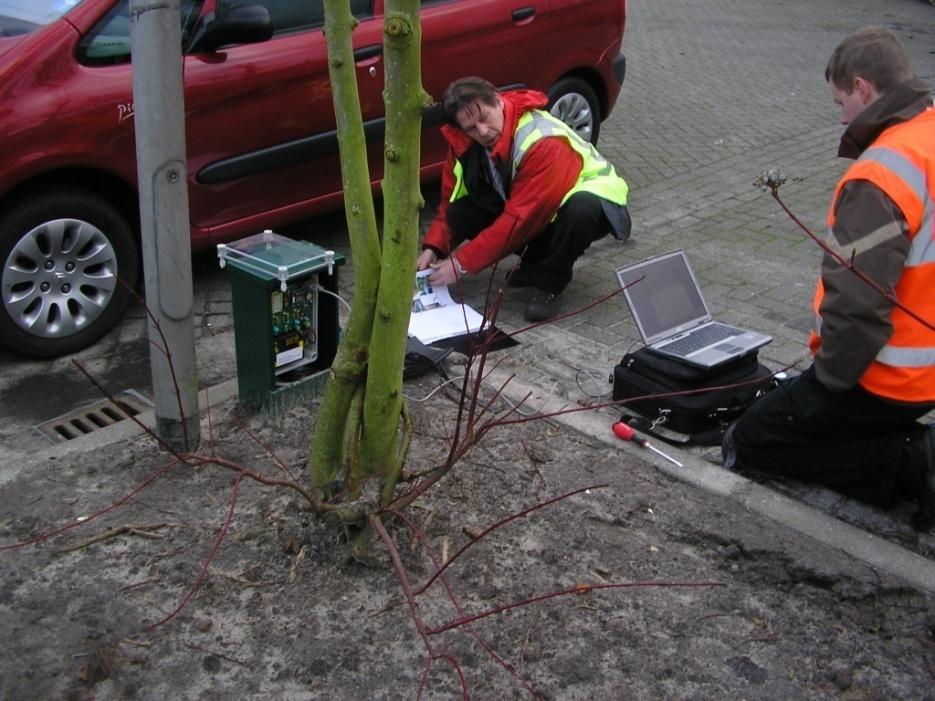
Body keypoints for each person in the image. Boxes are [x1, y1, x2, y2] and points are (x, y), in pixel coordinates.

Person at [722, 27, 935, 530]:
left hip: (883, 376)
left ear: (863, 88)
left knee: (748, 441)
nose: (840, 115)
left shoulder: (879, 175)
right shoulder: (927, 135)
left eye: (841, 100)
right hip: (923, 366)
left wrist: (827, 384)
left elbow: (860, 303)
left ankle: (913, 465)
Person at [416, 77, 631, 322]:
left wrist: (461, 263)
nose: (482, 132)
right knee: (461, 211)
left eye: (485, 118)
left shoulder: (543, 141)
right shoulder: (464, 145)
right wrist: (434, 247)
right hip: (536, 206)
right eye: (471, 128)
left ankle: (551, 284)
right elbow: (451, 200)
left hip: (595, 201)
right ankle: (534, 263)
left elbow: (521, 219)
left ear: (498, 101)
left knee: (579, 213)